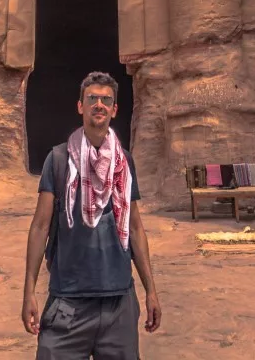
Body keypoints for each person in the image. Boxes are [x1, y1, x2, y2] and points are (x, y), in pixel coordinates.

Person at [22, 72, 162, 358]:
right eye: (92, 99)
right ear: (80, 106)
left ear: (114, 109)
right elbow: (40, 227)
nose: (99, 104)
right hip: (68, 302)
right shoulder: (59, 160)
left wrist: (151, 290)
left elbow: (135, 228)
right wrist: (29, 291)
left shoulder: (124, 162)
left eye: (106, 99)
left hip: (118, 303)